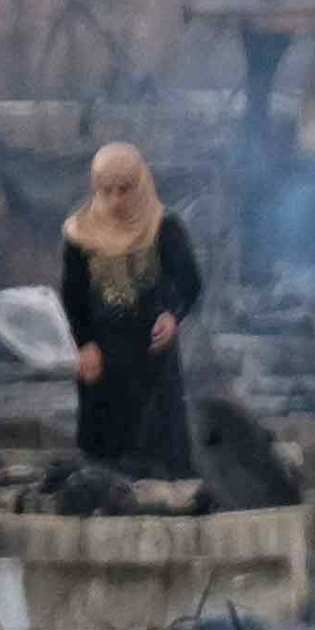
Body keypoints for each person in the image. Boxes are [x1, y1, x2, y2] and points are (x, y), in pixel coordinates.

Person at [58, 142, 203, 481]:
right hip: (104, 353)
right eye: (105, 191)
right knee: (104, 456)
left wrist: (172, 316)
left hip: (152, 353)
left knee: (159, 450)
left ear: (139, 185)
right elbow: (73, 296)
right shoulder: (80, 234)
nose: (115, 201)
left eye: (124, 190)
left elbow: (190, 283)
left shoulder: (164, 228)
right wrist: (84, 343)